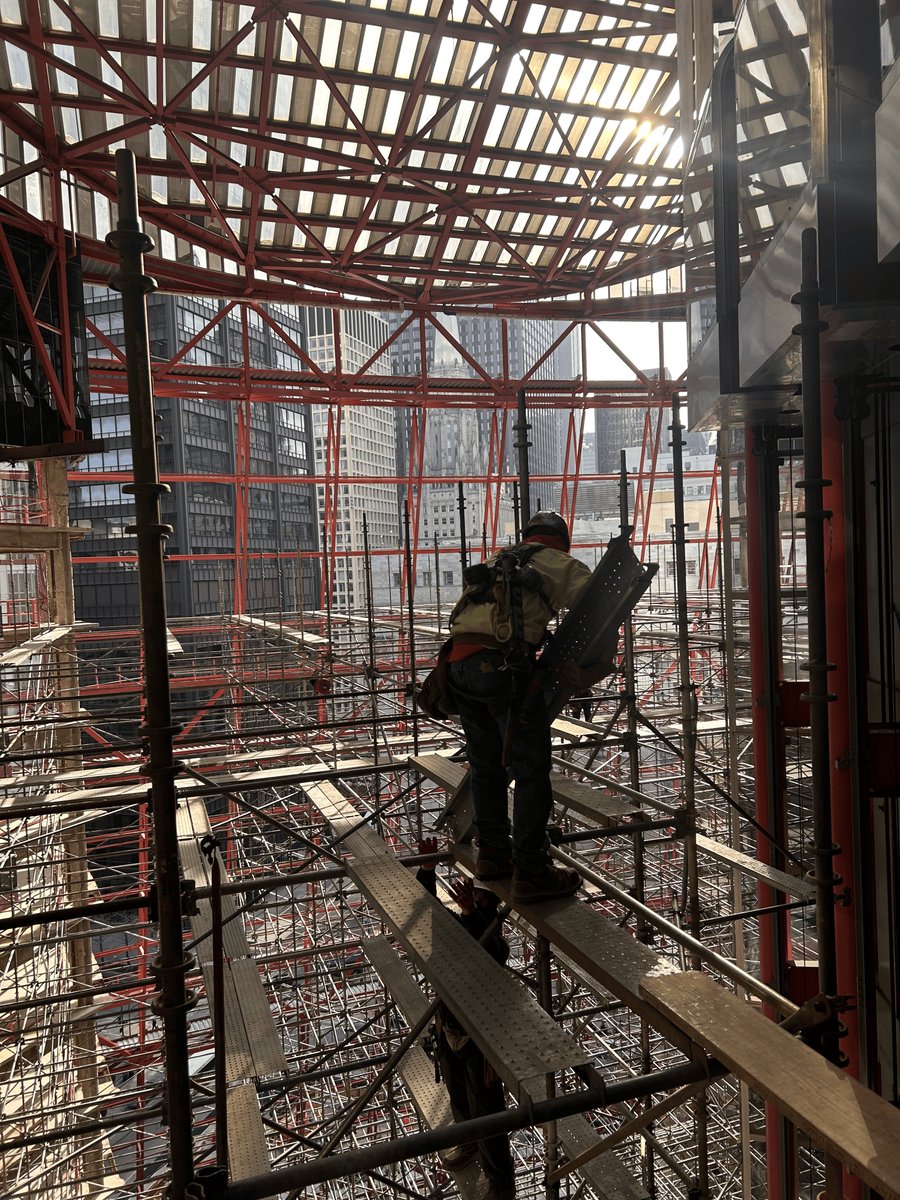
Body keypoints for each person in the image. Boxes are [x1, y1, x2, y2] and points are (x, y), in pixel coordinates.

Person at [446, 510, 597, 903]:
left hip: (457, 667)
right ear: (562, 541)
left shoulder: (499, 559)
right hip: (501, 668)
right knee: (530, 770)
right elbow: (599, 602)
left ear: (527, 536)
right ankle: (531, 869)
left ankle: (493, 854)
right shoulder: (559, 563)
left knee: (486, 765)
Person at [417, 841, 516, 1200]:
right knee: (459, 1099)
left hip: (479, 1040)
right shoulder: (457, 927)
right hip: (450, 1028)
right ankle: (467, 1143)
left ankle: (501, 1185)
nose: (469, 901)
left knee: (488, 1115)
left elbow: (486, 952)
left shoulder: (496, 944)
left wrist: (473, 912)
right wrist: (427, 871)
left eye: (480, 900)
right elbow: (429, 913)